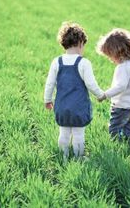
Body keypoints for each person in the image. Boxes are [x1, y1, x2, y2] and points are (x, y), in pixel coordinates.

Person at [44, 22, 104, 160]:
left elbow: (50, 83)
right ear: (80, 43)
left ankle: (63, 157)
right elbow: (91, 84)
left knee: (63, 133)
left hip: (62, 106)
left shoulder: (56, 62)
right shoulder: (84, 63)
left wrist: (47, 100)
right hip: (78, 107)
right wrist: (100, 95)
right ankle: (78, 157)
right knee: (78, 134)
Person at [97, 28, 130, 149]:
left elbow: (120, 86)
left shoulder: (122, 67)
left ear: (117, 52)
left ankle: (115, 149)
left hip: (122, 107)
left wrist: (105, 95)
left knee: (114, 129)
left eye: (110, 56)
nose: (110, 60)